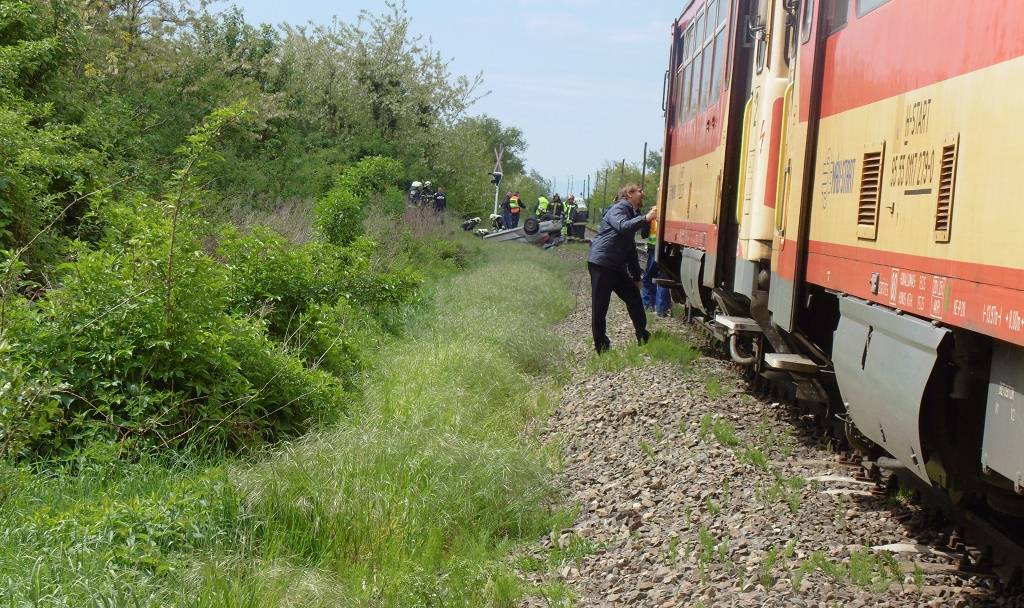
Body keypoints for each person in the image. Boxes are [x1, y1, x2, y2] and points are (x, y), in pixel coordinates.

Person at [587, 183, 657, 353]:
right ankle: (601, 347)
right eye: (639, 191)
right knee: (600, 307)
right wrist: (646, 218)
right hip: (602, 264)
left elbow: (630, 248)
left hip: (615, 266)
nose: (643, 194)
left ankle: (643, 335)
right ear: (629, 194)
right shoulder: (618, 208)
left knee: (634, 297)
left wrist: (636, 278)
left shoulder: (632, 212)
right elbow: (623, 227)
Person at [641, 217, 672, 317]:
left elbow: (643, 233)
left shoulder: (653, 212)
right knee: (664, 278)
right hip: (668, 248)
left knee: (647, 278)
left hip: (654, 248)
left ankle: (648, 305)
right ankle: (662, 309)